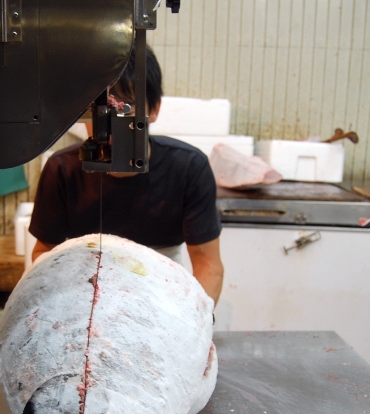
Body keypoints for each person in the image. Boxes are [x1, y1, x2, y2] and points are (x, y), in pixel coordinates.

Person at [29, 46, 224, 305]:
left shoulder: (188, 168)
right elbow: (45, 251)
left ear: (153, 109)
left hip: (162, 292)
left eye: (124, 112)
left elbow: (208, 264)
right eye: (96, 114)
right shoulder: (63, 170)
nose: (108, 130)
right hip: (84, 290)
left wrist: (195, 319)